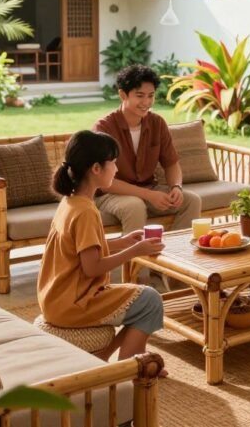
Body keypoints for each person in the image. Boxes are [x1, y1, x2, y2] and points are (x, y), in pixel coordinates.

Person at [37, 130, 167, 369]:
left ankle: (105, 357)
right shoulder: (86, 212)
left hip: (56, 300)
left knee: (143, 302)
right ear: (96, 169)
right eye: (114, 163)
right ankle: (130, 369)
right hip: (73, 304)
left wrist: (123, 242)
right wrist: (135, 251)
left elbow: (79, 252)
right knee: (150, 299)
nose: (116, 170)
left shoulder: (71, 202)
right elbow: (91, 267)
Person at [93, 64, 202, 234]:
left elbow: (171, 163)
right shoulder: (104, 128)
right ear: (123, 95)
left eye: (151, 96)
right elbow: (105, 183)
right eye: (140, 96)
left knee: (191, 201)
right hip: (111, 195)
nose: (146, 102)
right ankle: (133, 261)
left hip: (149, 189)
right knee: (134, 206)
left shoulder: (157, 123)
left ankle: (173, 256)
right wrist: (148, 195)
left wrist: (176, 187)